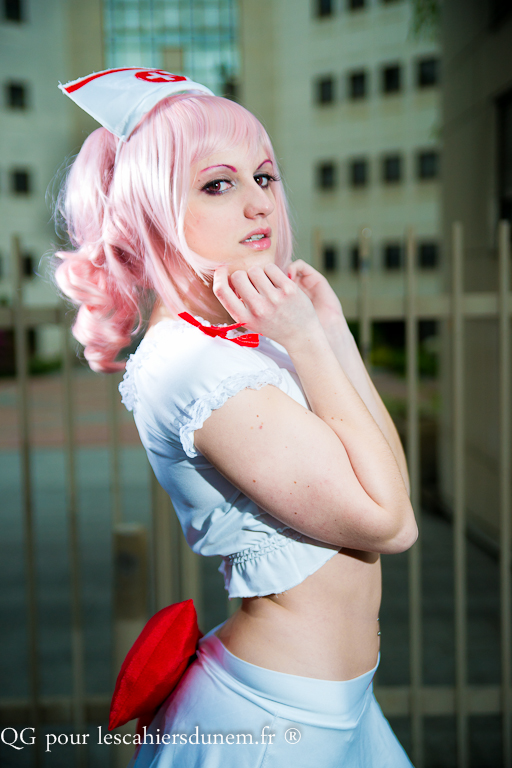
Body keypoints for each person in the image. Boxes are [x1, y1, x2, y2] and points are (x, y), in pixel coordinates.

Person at [55, 68, 417, 767]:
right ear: (152, 213)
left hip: (338, 707)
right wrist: (308, 340)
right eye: (218, 184)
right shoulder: (191, 364)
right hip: (271, 724)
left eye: (264, 176)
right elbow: (391, 523)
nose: (259, 203)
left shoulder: (245, 340)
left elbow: (388, 478)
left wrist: (328, 332)